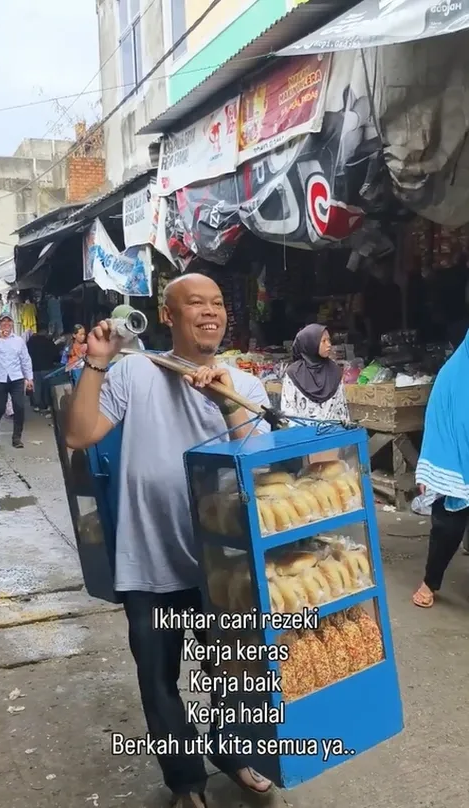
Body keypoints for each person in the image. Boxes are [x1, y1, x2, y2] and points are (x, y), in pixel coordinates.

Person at [65, 274, 272, 808]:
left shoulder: (245, 385)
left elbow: (260, 468)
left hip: (223, 566)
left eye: (219, 303)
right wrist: (97, 360)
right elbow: (80, 434)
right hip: (151, 562)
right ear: (169, 315)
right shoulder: (135, 372)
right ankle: (186, 782)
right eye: (195, 304)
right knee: (159, 682)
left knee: (239, 672)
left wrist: (225, 400)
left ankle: (234, 753)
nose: (210, 312)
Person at [413, 328, 469, 608]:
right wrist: (428, 469)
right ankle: (430, 581)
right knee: (447, 527)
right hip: (456, 463)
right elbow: (436, 424)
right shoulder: (451, 375)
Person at [280, 324, 349, 423]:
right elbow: (288, 411)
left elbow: (342, 409)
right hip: (303, 435)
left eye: (329, 340)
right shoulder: (293, 373)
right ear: (311, 344)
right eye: (323, 341)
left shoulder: (335, 371)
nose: (329, 344)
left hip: (331, 433)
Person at [0, 312, 33, 448]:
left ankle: (16, 438)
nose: (6, 324)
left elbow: (25, 359)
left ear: (12, 324)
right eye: (3, 321)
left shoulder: (18, 341)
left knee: (19, 407)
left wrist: (29, 378)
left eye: (8, 321)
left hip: (16, 378)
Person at [27, 325, 60, 412]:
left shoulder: (31, 341)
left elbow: (27, 354)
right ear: (45, 331)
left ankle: (37, 405)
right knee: (46, 388)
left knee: (36, 387)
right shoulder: (48, 341)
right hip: (47, 367)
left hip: (35, 368)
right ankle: (47, 405)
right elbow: (56, 355)